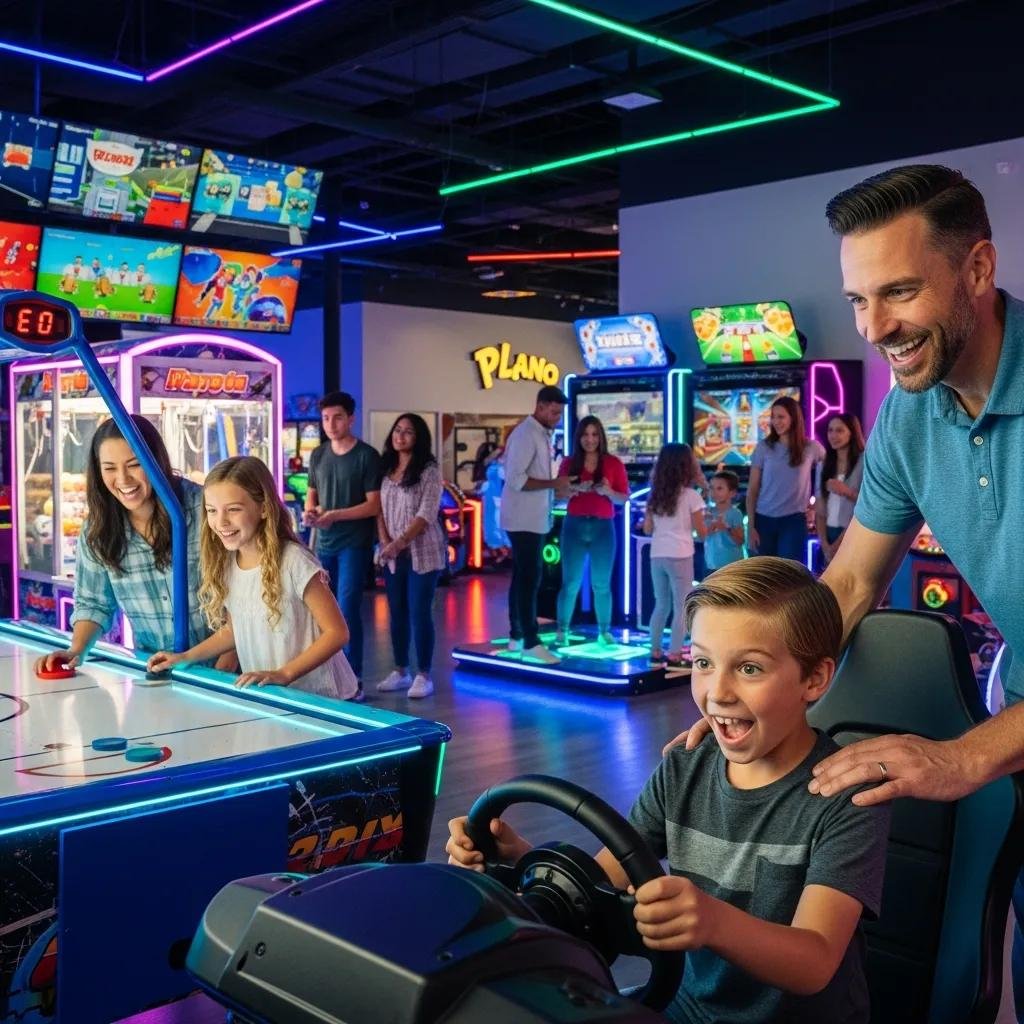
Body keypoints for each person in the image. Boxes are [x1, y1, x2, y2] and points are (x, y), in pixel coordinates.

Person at [664, 165, 1024, 1011]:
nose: (874, 327)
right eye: (858, 299)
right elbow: (853, 579)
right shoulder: (911, 413)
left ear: (977, 269)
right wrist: (747, 687)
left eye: (898, 291)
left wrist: (963, 755)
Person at [448, 557, 890, 1024]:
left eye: (750, 669)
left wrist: (713, 921)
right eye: (703, 662)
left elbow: (815, 961)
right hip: (686, 1010)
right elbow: (600, 886)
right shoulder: (684, 768)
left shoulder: (847, 795)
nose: (717, 692)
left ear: (814, 679)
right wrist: (518, 861)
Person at [148, 456, 357, 699]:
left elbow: (337, 632)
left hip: (320, 699)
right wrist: (185, 657)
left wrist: (284, 674)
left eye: (234, 509)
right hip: (271, 696)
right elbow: (235, 629)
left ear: (265, 508)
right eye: (212, 511)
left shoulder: (294, 560)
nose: (221, 522)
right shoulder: (226, 562)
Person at [33, 415, 218, 675]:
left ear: (156, 460)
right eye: (109, 468)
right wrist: (76, 651)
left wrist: (224, 668)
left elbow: (243, 593)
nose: (123, 479)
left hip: (226, 671)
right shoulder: (98, 530)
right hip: (157, 671)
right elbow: (93, 602)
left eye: (134, 465)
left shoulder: (204, 508)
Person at [304, 391, 382, 702]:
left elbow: (373, 505)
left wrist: (335, 515)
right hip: (325, 542)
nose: (331, 424)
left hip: (354, 543)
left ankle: (354, 678)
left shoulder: (367, 456)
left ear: (351, 418)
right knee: (322, 612)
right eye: (325, 418)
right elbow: (312, 493)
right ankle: (329, 676)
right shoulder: (319, 455)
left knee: (347, 608)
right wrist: (312, 513)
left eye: (337, 417)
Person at [499, 385, 573, 664]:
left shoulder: (539, 434)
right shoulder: (526, 435)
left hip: (532, 518)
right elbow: (516, 479)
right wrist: (555, 484)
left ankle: (517, 635)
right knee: (529, 579)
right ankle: (530, 640)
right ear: (540, 406)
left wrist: (557, 489)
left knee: (523, 577)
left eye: (559, 414)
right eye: (553, 412)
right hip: (524, 519)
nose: (556, 418)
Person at [374, 414, 446, 699]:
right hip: (392, 553)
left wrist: (399, 542)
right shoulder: (386, 467)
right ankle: (400, 670)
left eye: (408, 432)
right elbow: (378, 507)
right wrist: (384, 542)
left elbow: (426, 514)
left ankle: (424, 675)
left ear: (419, 438)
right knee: (398, 612)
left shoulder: (428, 469)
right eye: (397, 430)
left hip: (422, 552)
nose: (400, 436)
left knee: (419, 611)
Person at [554, 415, 629, 645]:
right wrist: (574, 489)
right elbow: (557, 494)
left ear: (601, 437)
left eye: (594, 434)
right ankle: (562, 630)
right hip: (574, 525)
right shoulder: (569, 463)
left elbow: (623, 498)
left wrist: (607, 492)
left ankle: (604, 631)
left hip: (603, 528)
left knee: (601, 583)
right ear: (579, 437)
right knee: (570, 582)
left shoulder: (613, 463)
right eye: (585, 434)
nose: (590, 439)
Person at [643, 443, 706, 668]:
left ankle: (655, 651)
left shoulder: (655, 496)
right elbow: (702, 531)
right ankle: (675, 653)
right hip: (681, 554)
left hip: (657, 555)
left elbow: (647, 529)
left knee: (661, 604)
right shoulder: (691, 496)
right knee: (682, 606)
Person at [746, 396, 824, 561]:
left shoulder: (811, 448)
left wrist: (814, 507)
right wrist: (751, 526)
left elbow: (828, 473)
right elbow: (752, 490)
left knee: (788, 575)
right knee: (763, 574)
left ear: (793, 418)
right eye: (773, 417)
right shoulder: (764, 447)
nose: (776, 421)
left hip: (794, 520)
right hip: (763, 519)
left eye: (781, 417)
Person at [815, 414, 865, 565]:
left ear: (852, 432)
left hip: (855, 534)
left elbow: (869, 503)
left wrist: (846, 492)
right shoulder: (823, 465)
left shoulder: (864, 461)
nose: (833, 435)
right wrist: (825, 545)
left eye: (839, 430)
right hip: (828, 534)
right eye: (830, 430)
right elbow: (820, 510)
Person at [701, 469, 745, 575]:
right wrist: (710, 528)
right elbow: (701, 536)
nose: (714, 492)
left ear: (732, 493)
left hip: (731, 566)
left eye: (719, 488)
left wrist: (727, 528)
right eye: (711, 488)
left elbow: (740, 540)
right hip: (711, 565)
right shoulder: (707, 513)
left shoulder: (735, 513)